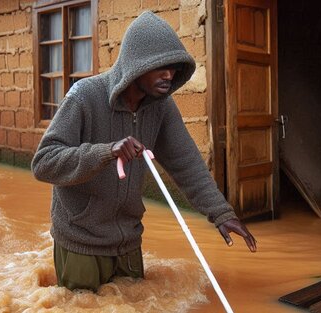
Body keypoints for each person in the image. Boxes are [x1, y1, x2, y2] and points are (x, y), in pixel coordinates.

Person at [31, 11, 257, 292]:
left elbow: (187, 164)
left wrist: (222, 213)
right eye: (161, 67)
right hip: (82, 238)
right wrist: (107, 151)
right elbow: (43, 162)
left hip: (128, 239)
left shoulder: (161, 107)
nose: (169, 74)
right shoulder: (84, 96)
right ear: (136, 65)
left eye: (174, 67)